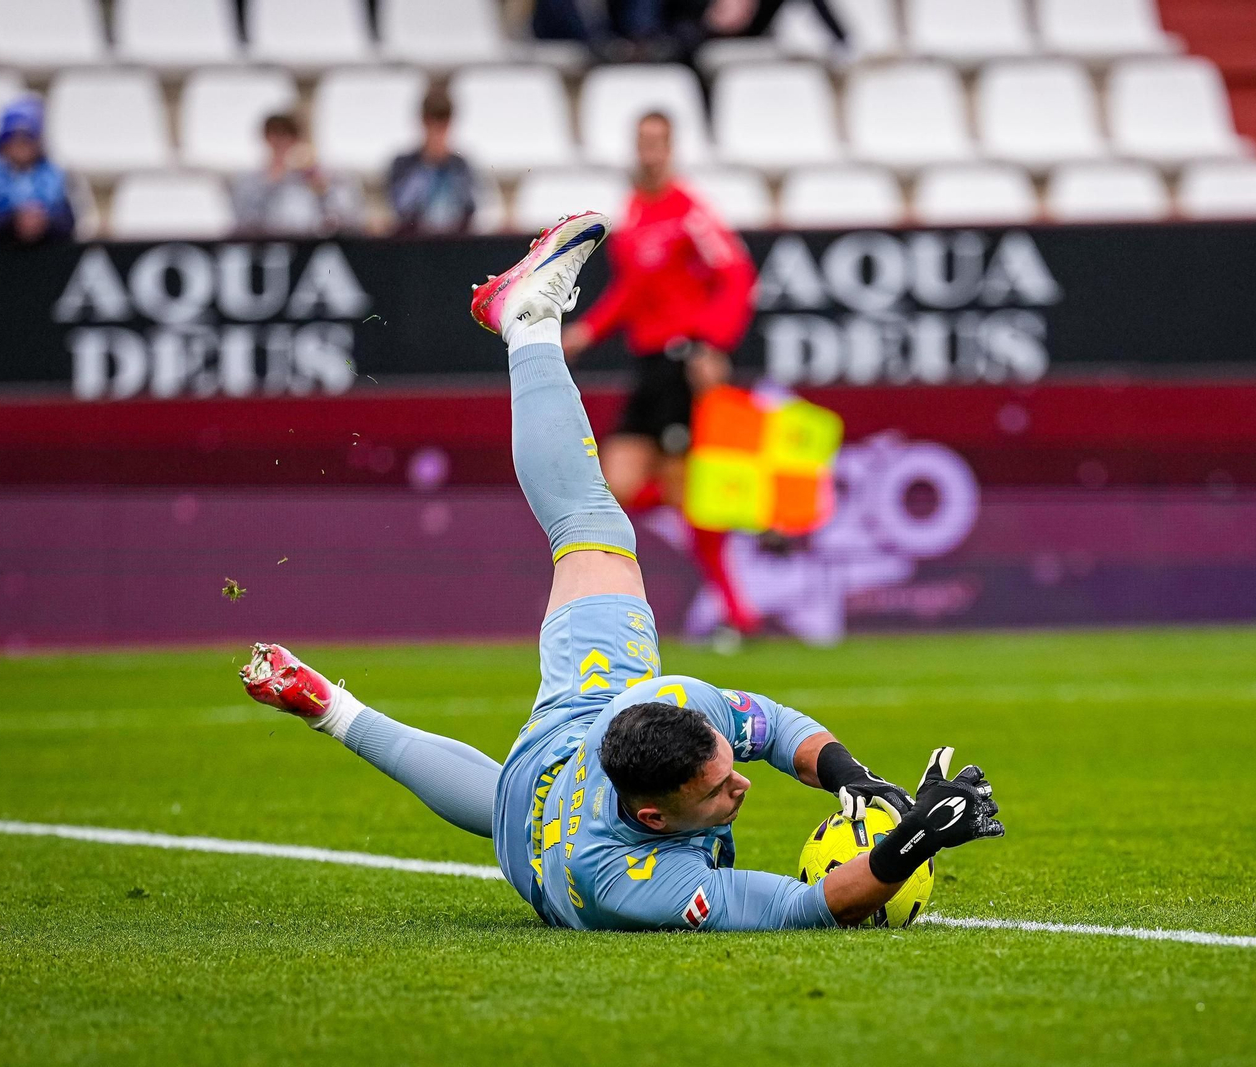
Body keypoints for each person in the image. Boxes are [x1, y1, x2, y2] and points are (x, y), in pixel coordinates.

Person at [238, 211, 1004, 931]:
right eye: (717, 788)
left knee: (589, 529)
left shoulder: (669, 704)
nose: (741, 781)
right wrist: (915, 840)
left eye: (726, 767)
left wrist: (852, 776)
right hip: (543, 824)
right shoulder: (626, 878)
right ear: (653, 819)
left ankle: (529, 328)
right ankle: (526, 322)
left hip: (569, 749)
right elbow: (807, 909)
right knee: (511, 789)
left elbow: (776, 731)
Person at [562, 111, 762, 644]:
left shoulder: (689, 213)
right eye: (643, 142)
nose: (649, 153)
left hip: (680, 364)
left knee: (664, 489)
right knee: (617, 486)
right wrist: (588, 331)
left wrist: (713, 344)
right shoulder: (634, 217)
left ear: (670, 150)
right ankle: (733, 609)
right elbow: (632, 291)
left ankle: (737, 611)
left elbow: (737, 275)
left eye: (658, 143)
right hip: (646, 367)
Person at [231, 112, 364, 236]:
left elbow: (342, 219)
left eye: (287, 135)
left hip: (307, 246)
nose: (280, 142)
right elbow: (245, 220)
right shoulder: (249, 180)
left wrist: (320, 187)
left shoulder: (314, 175)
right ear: (266, 138)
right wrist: (272, 182)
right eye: (274, 135)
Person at [387, 87, 477, 235]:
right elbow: (400, 208)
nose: (437, 134)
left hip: (455, 246)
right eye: (433, 126)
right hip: (414, 247)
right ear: (423, 123)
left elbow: (472, 209)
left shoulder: (461, 166)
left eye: (443, 127)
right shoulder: (402, 164)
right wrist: (428, 163)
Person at [0, 96, 74, 245]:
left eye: (27, 139)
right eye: (14, 138)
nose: (21, 146)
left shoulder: (53, 176)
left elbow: (69, 222)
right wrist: (13, 221)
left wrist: (44, 222)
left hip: (42, 260)